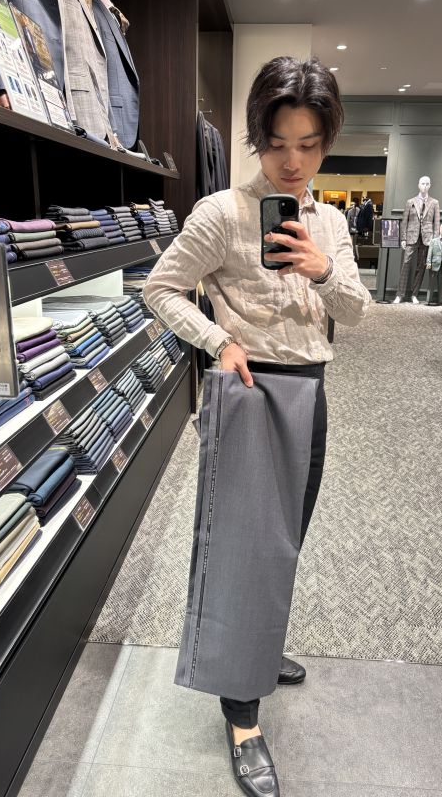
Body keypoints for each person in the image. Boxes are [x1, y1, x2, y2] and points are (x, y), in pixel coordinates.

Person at [143, 56, 371, 797]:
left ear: (326, 142)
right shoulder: (221, 214)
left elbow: (356, 313)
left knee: (285, 543)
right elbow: (160, 289)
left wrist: (320, 269)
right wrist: (218, 341)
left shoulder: (330, 222)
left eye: (309, 145)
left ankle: (259, 649)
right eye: (277, 144)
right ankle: (241, 715)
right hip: (249, 391)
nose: (292, 162)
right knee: (244, 553)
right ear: (255, 138)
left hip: (311, 393)